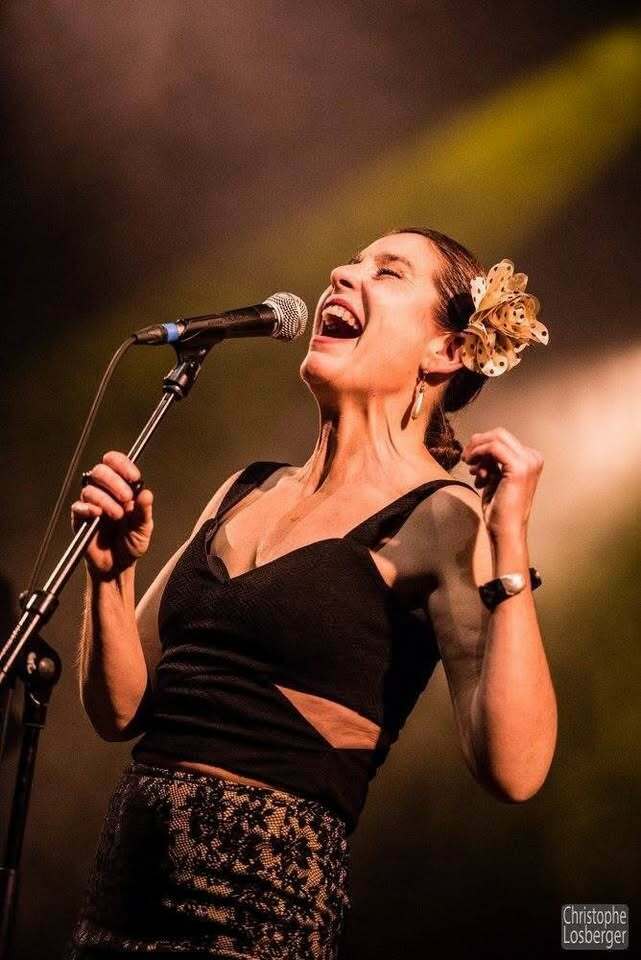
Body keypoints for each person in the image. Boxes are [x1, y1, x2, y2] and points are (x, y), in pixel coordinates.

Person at [65, 227, 557, 959]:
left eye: (387, 272)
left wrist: (509, 538)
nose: (340, 273)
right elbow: (120, 711)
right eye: (351, 262)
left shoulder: (442, 517)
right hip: (118, 899)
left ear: (447, 350)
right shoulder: (245, 488)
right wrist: (110, 576)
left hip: (253, 913)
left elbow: (515, 769)